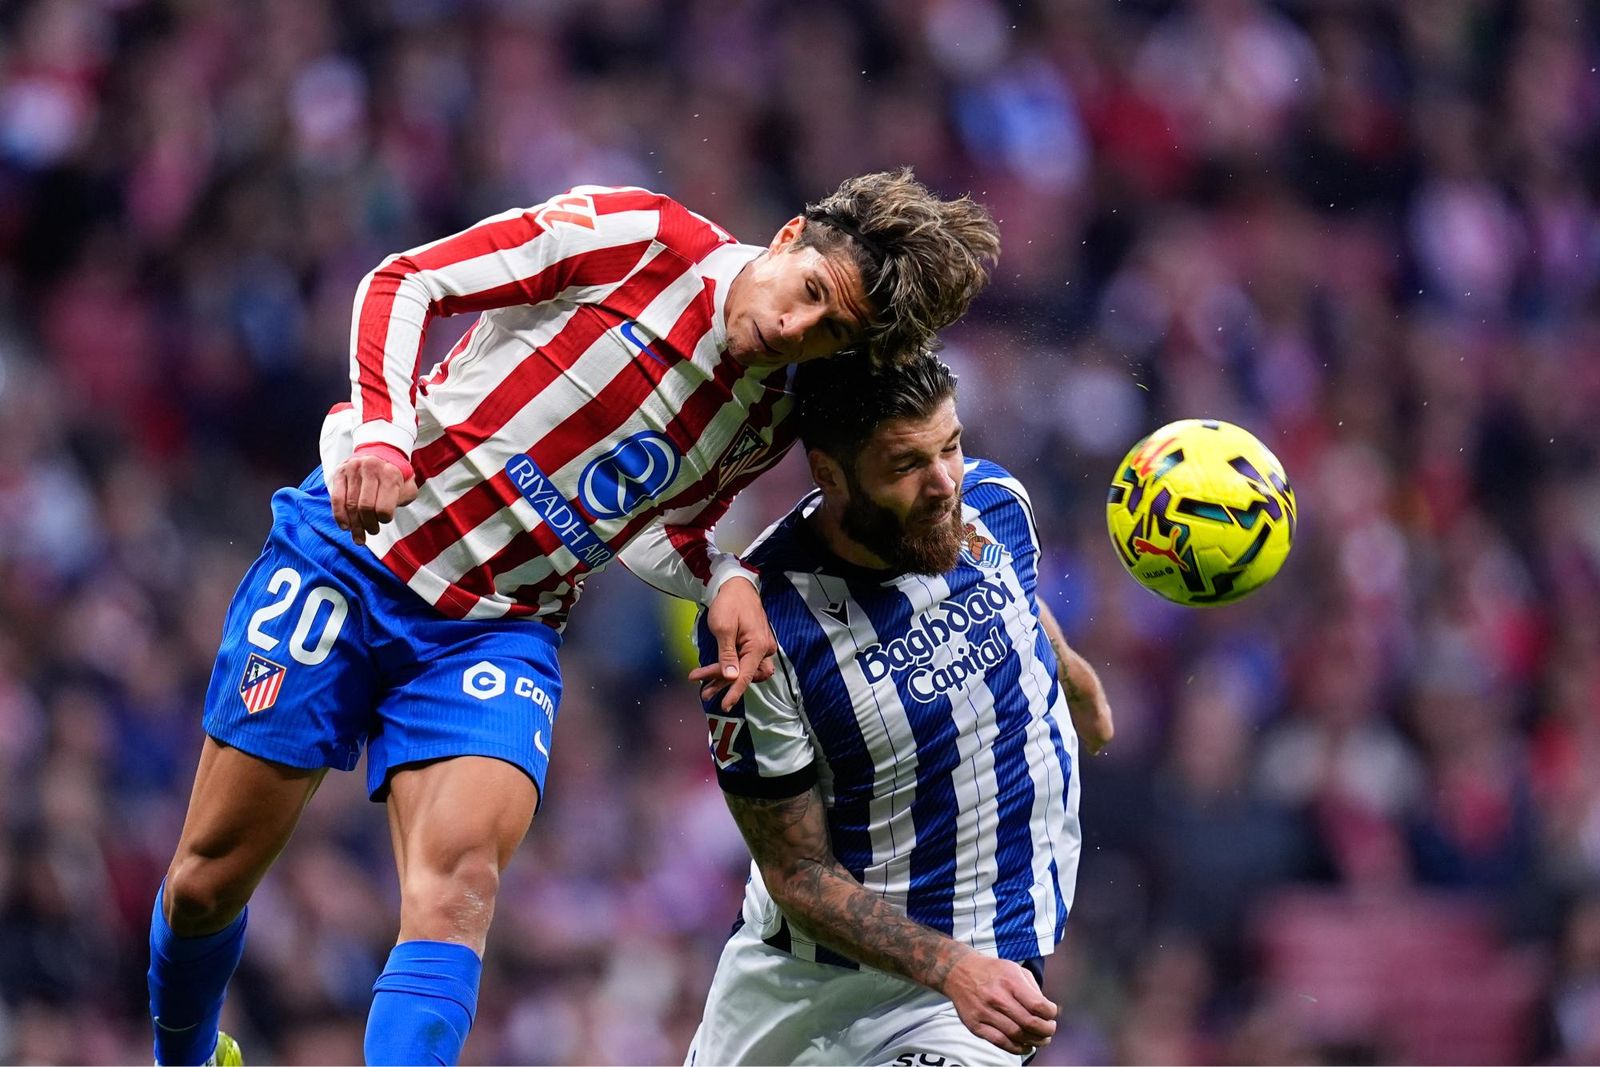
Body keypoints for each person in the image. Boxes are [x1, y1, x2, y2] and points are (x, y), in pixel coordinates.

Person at [146, 170, 1000, 1066]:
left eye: (830, 332)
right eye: (811, 295)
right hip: (353, 557)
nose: (795, 331)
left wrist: (723, 576)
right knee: (206, 883)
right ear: (788, 238)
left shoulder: (782, 404)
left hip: (497, 627)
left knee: (460, 884)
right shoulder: (637, 238)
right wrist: (382, 433)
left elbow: (660, 525)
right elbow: (405, 281)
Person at [685, 352, 1115, 1066]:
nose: (945, 482)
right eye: (906, 463)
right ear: (831, 474)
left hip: (981, 972)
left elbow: (1018, 599)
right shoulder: (765, 627)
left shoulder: (996, 500)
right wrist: (950, 966)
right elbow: (798, 875)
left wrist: (1076, 681)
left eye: (951, 445)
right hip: (803, 988)